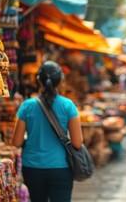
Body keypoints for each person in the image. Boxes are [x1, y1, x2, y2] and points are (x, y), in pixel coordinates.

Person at [12, 61, 83, 202]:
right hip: (61, 168)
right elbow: (77, 142)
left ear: (38, 80)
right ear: (61, 81)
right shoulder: (68, 105)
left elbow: (16, 141)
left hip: (32, 168)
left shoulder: (27, 106)